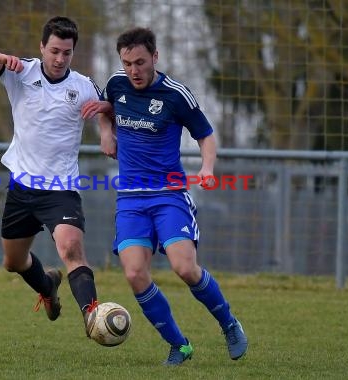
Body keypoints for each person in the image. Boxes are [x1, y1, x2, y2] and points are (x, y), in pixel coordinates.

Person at [82, 27, 248, 365]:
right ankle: (179, 345)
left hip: (169, 195)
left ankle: (229, 324)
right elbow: (107, 107)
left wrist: (208, 168)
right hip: (130, 199)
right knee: (133, 274)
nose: (134, 70)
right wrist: (106, 133)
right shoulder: (117, 84)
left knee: (184, 268)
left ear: (155, 57)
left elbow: (206, 135)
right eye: (127, 63)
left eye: (140, 62)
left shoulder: (175, 95)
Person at [0, 16, 107, 337]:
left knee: (71, 248)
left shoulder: (83, 86)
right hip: (21, 188)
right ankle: (47, 286)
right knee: (13, 262)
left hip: (61, 189)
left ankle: (92, 314)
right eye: (55, 51)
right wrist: (2, 59)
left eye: (67, 53)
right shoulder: (21, 73)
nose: (60, 59)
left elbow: (106, 109)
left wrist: (106, 132)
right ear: (42, 47)